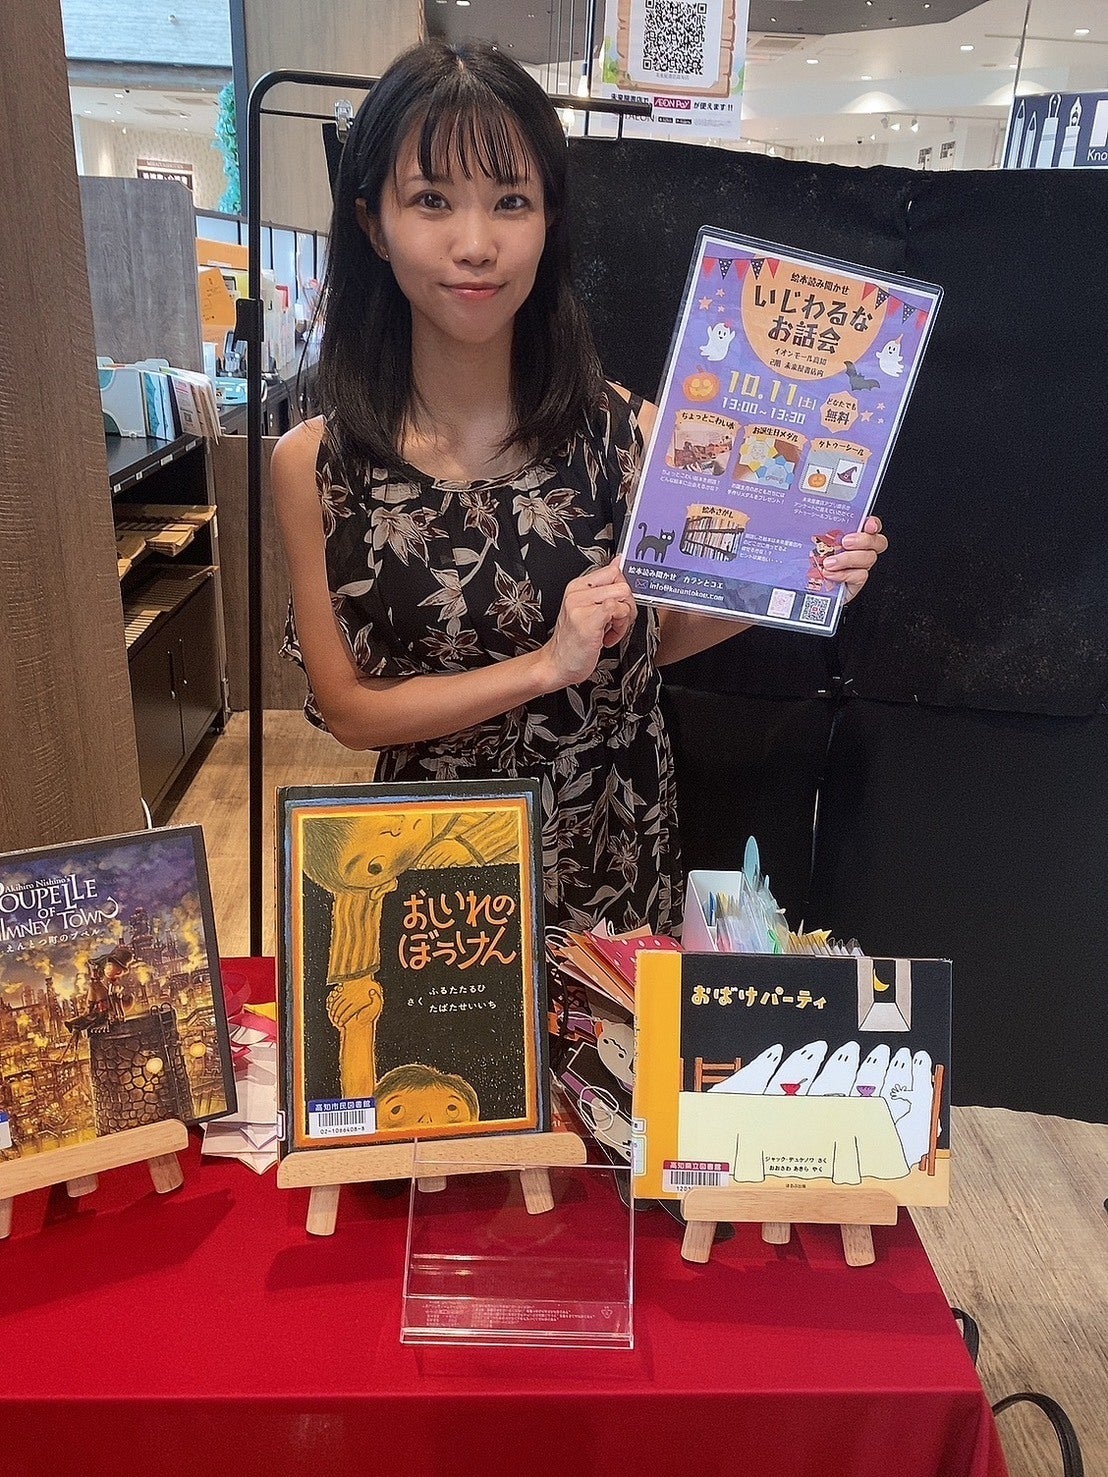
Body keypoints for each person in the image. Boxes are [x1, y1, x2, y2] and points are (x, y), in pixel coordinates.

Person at [272, 38, 888, 939]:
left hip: (614, 839)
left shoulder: (627, 431)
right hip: (431, 863)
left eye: (510, 202)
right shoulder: (316, 463)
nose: (475, 244)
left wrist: (799, 574)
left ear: (549, 219)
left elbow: (654, 638)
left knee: (614, 1038)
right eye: (432, 200)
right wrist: (544, 666)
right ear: (373, 223)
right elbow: (350, 709)